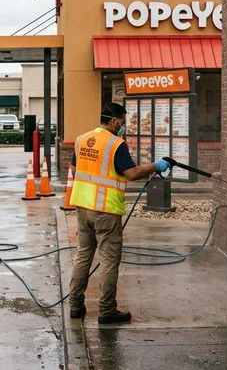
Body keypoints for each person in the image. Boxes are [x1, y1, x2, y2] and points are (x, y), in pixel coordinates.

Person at [68, 102, 169, 324]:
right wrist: (156, 166)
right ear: (113, 121)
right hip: (105, 210)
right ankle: (107, 310)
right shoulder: (115, 144)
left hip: (82, 207)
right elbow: (131, 173)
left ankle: (75, 305)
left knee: (83, 255)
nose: (123, 127)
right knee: (109, 260)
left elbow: (74, 169)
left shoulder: (81, 139)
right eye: (122, 122)